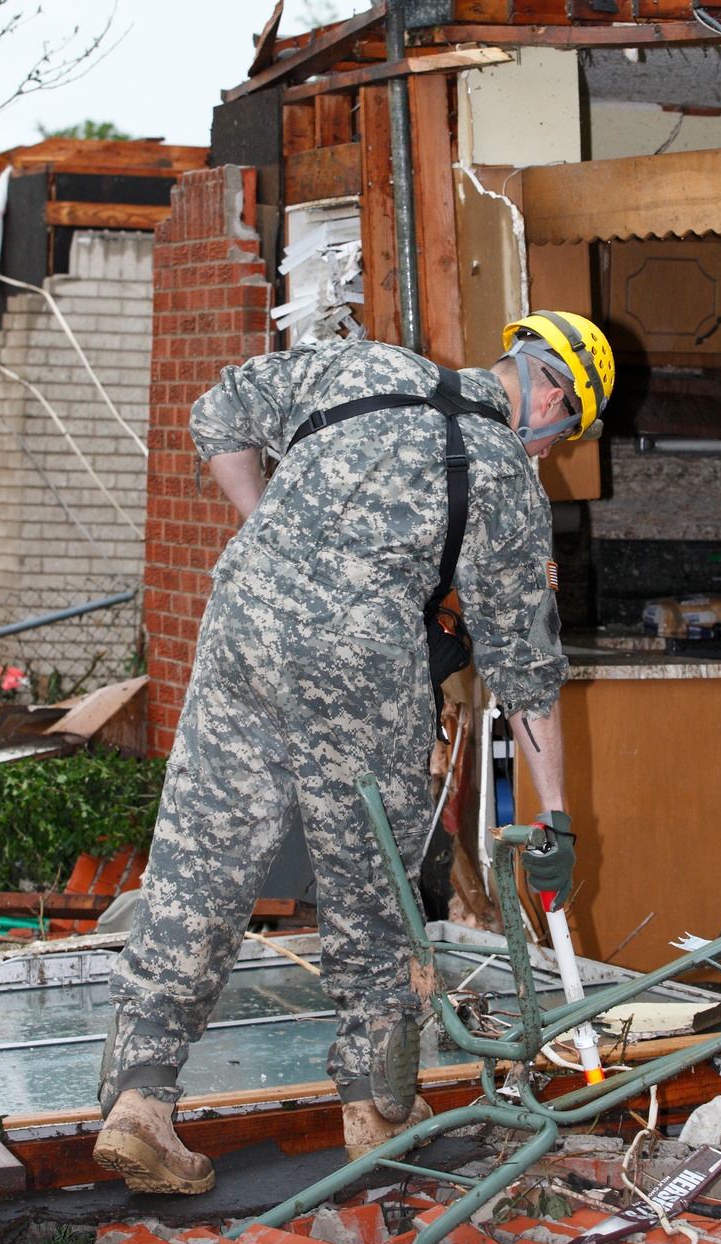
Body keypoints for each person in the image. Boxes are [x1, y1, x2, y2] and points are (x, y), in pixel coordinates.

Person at [93, 312, 615, 1194]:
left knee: (195, 872)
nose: (549, 451)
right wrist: (555, 813)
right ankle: (374, 1115)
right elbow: (525, 678)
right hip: (364, 674)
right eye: (563, 434)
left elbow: (215, 414)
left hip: (243, 633)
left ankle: (140, 1104)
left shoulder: (359, 364)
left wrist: (266, 536)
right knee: (371, 897)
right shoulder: (501, 476)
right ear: (554, 394)